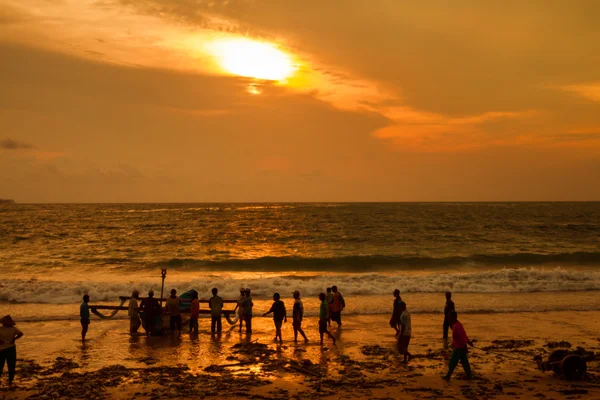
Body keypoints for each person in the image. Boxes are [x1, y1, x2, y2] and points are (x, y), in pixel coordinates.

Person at [443, 311, 473, 381]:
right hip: (460, 347)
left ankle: (448, 376)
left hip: (459, 348)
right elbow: (464, 335)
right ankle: (469, 376)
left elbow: (463, 337)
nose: (449, 319)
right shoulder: (456, 325)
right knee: (465, 363)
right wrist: (469, 343)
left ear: (453, 318)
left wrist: (465, 346)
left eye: (449, 318)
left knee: (452, 362)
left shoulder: (457, 326)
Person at [0, 315, 23, 387]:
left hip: (1, 349)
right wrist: (14, 339)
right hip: (11, 348)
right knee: (11, 364)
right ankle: (10, 380)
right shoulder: (14, 329)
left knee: (0, 365)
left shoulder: (0, 329)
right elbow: (21, 334)